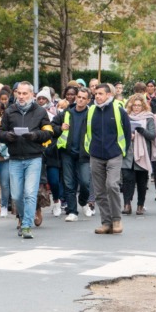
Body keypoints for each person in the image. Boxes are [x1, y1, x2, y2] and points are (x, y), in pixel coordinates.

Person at [0, 81, 52, 239]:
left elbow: (49, 133)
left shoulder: (40, 111)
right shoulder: (10, 111)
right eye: (19, 93)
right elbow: (0, 132)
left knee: (30, 193)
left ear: (32, 95)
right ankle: (22, 217)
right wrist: (7, 136)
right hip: (15, 158)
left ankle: (27, 225)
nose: (21, 96)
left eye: (24, 94)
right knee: (16, 196)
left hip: (33, 158)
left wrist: (35, 135)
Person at [85, 83, 130, 234]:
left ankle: (116, 219)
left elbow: (127, 132)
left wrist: (121, 150)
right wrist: (90, 149)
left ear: (108, 95)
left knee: (112, 185)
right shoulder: (91, 110)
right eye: (96, 94)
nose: (97, 96)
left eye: (100, 94)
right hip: (96, 155)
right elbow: (87, 131)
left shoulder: (118, 110)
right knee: (99, 191)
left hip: (114, 154)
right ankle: (106, 222)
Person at [53, 87, 92, 221]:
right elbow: (52, 125)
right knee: (69, 183)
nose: (80, 100)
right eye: (79, 97)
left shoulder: (91, 114)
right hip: (67, 152)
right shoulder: (67, 112)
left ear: (88, 100)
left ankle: (83, 201)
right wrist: (60, 128)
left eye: (83, 98)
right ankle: (72, 211)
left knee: (85, 182)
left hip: (84, 153)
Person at [123, 94, 156, 216]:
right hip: (128, 153)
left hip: (142, 153)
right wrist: (129, 136)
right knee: (127, 179)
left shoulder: (149, 117)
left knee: (142, 181)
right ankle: (127, 204)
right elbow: (119, 133)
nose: (136, 108)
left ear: (143, 106)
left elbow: (152, 135)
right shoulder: (126, 116)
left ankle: (140, 205)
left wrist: (141, 131)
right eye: (134, 105)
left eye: (139, 105)